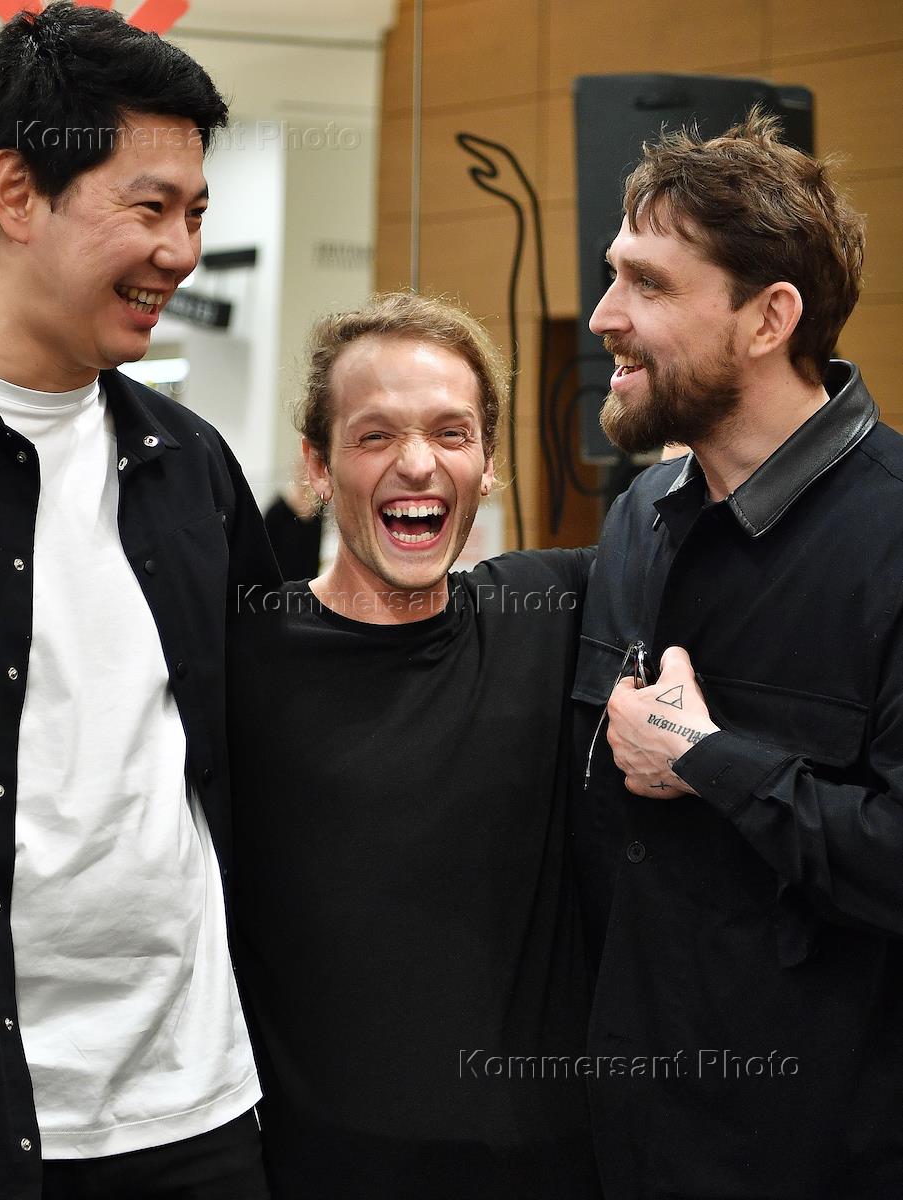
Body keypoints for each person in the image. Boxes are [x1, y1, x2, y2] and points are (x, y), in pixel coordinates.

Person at [0, 6, 279, 1198]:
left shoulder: (190, 464)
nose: (181, 252)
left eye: (195, 214)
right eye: (149, 206)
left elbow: (265, 734)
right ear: (16, 193)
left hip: (196, 1109)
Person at [573, 107, 903, 1198]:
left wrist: (709, 761)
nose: (604, 316)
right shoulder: (640, 516)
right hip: (626, 1138)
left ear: (768, 319)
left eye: (647, 284)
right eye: (612, 276)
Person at [228, 293, 600, 1199]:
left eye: (450, 432)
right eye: (374, 435)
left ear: (488, 463)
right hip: (316, 1171)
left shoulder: (554, 612)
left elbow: (720, 503)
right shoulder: (236, 656)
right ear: (315, 466)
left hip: (549, 1170)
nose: (417, 463)